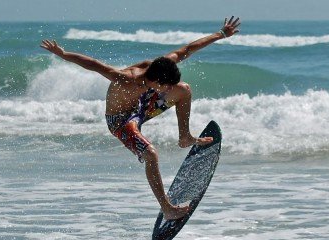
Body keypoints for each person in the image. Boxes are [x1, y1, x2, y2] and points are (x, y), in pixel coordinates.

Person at [40, 17, 240, 220]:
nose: (169, 89)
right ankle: (167, 208)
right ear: (156, 80)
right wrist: (63, 54)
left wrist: (221, 34)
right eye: (167, 86)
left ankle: (185, 137)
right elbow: (94, 65)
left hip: (143, 104)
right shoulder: (127, 79)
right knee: (151, 154)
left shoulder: (161, 66)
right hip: (121, 121)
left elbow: (188, 49)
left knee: (183, 90)